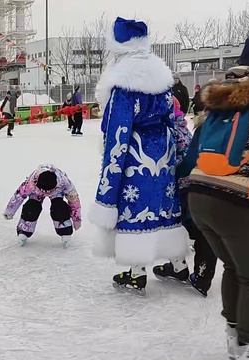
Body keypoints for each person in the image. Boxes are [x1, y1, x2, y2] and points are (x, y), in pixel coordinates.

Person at [188, 27, 249, 360]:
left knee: (234, 267)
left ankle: (235, 338)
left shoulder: (219, 95)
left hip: (199, 195)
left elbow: (195, 146)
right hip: (234, 203)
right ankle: (248, 350)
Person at [89, 17, 189, 296]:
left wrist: (110, 175)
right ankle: (178, 264)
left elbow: (118, 131)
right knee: (164, 205)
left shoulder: (123, 84)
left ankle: (137, 272)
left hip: (136, 155)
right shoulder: (161, 79)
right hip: (164, 152)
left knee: (135, 207)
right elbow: (173, 118)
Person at [152, 97, 217, 297]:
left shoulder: (173, 129)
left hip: (187, 184)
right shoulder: (184, 127)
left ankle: (185, 268)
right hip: (217, 185)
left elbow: (187, 160)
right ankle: (195, 272)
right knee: (203, 228)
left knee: (181, 225)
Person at [3, 164, 82, 248]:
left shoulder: (64, 182)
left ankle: (65, 231)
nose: (46, 193)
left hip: (57, 192)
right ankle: (24, 231)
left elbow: (74, 202)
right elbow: (18, 196)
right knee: (32, 206)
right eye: (44, 191)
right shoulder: (31, 183)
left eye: (49, 191)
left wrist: (76, 220)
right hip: (36, 193)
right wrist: (9, 212)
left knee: (59, 207)